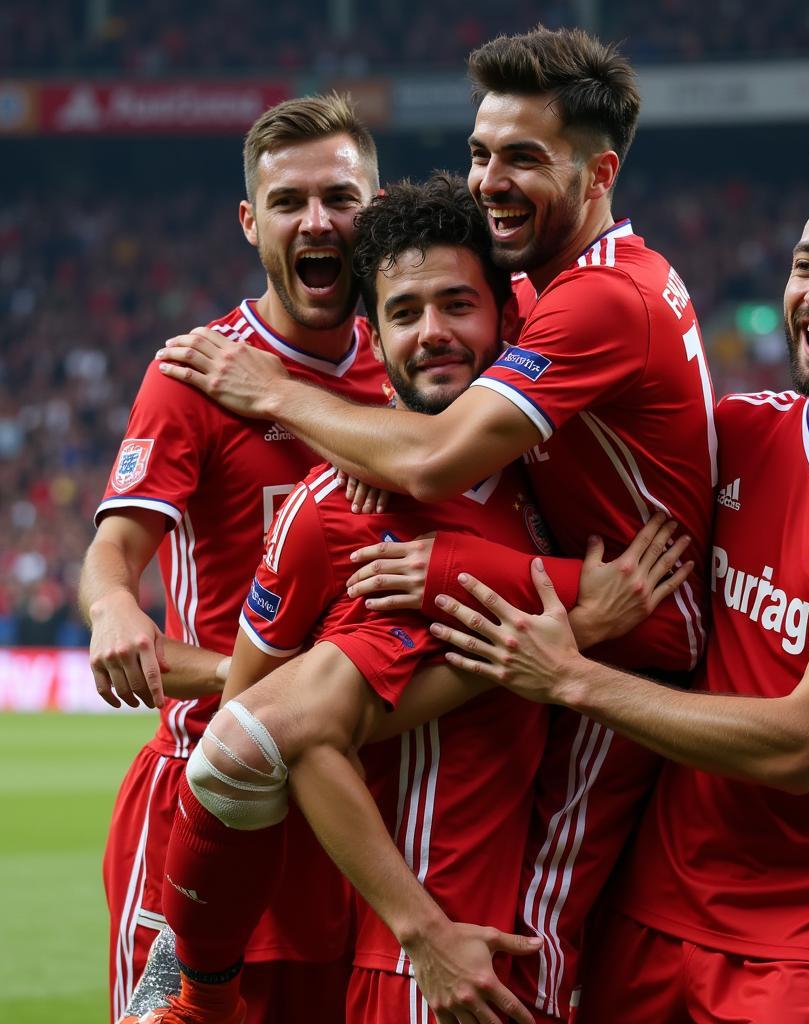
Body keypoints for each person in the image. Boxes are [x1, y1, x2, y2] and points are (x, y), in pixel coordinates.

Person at [156, 28, 716, 1021]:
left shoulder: (547, 423)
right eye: (480, 154)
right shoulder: (346, 507)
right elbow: (249, 731)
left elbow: (440, 469)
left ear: (507, 317)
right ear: (372, 328)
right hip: (369, 926)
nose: (435, 330)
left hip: (446, 910)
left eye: (459, 304)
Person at [431, 142, 809, 1024]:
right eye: (806, 265)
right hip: (649, 912)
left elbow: (803, 744)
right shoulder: (732, 436)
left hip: (807, 937)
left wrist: (573, 678)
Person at [79, 93, 386, 1023]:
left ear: (378, 210)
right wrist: (113, 606)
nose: (318, 220)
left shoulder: (420, 374)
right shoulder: (195, 375)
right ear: (253, 223)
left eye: (340, 196)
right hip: (203, 801)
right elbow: (114, 557)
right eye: (289, 202)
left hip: (350, 818)